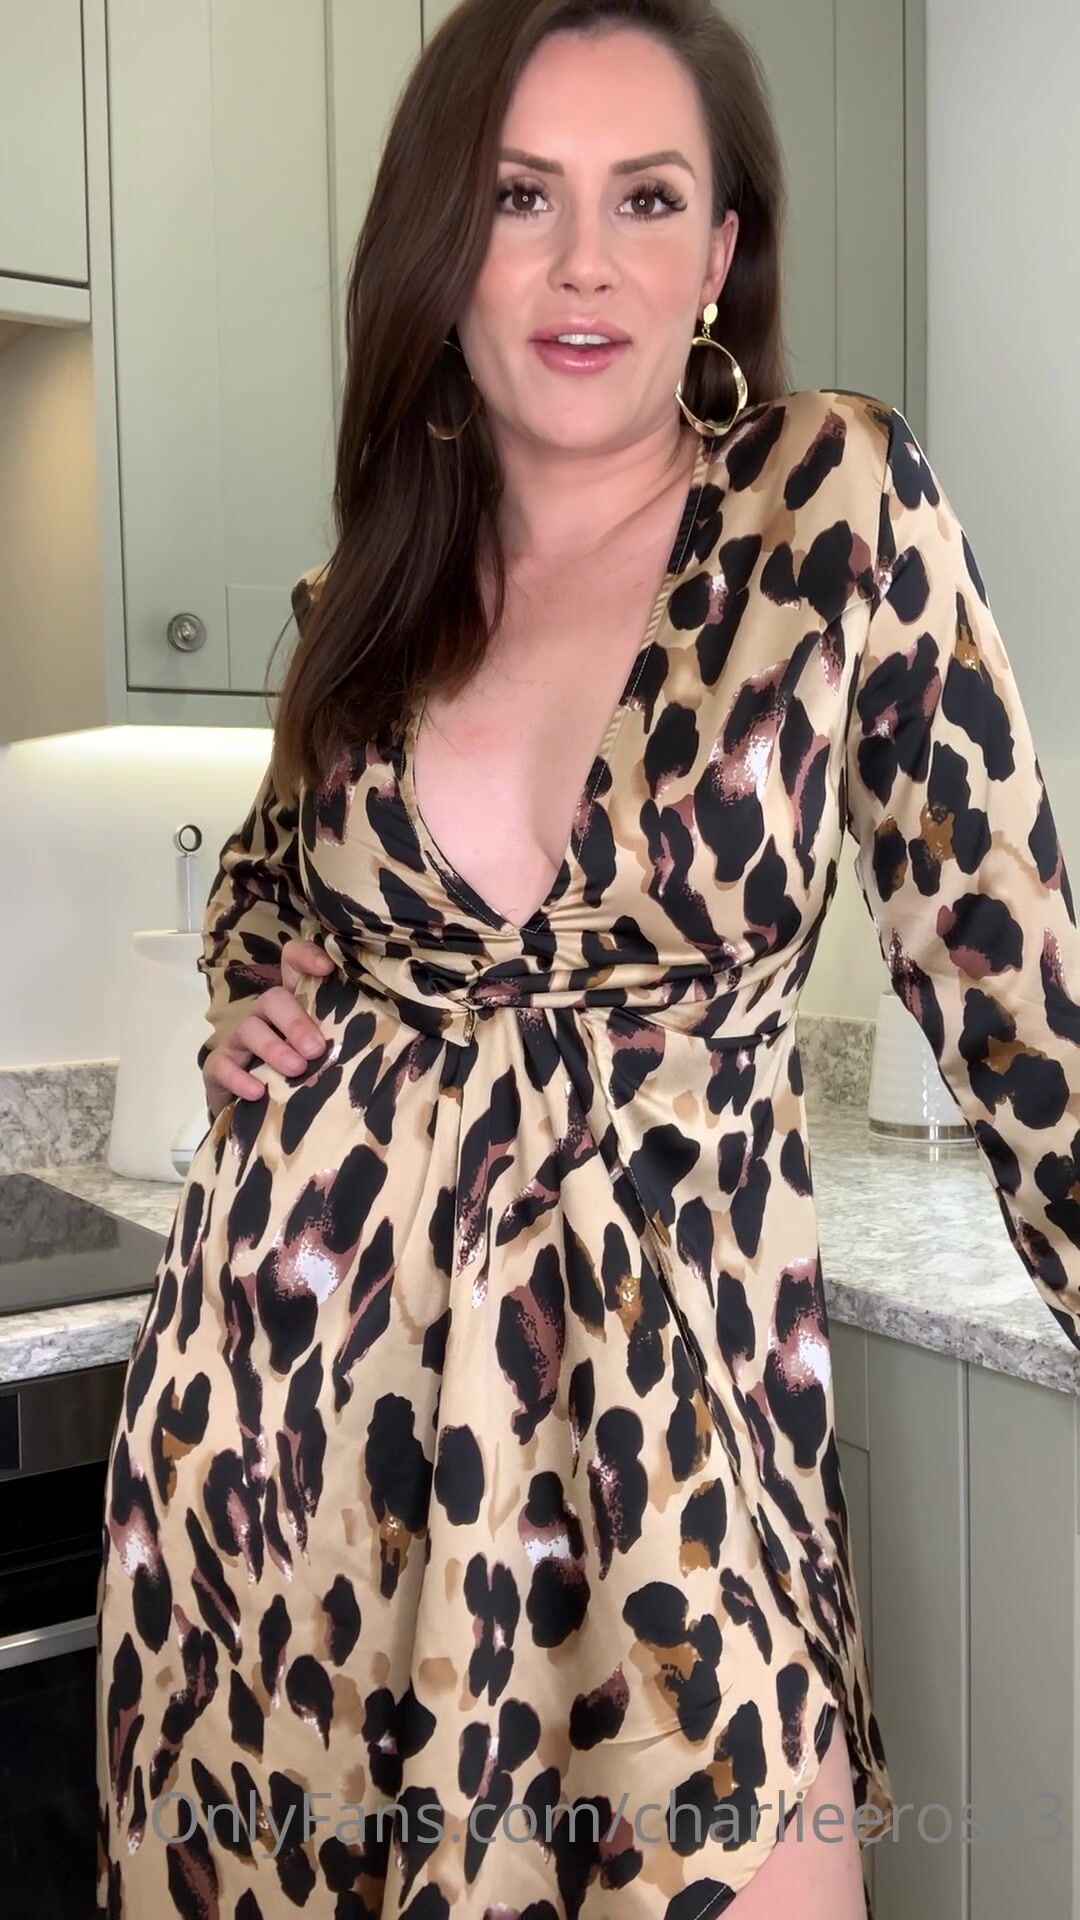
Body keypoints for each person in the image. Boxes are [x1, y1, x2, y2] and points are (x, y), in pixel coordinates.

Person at [96, 2, 1080, 1915]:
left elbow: (1024, 1005)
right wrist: (250, 1011)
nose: (581, 264)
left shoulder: (828, 510)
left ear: (720, 253)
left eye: (645, 198)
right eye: (518, 196)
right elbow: (266, 897)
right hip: (297, 1483)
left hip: (678, 1481)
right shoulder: (361, 596)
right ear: (441, 244)